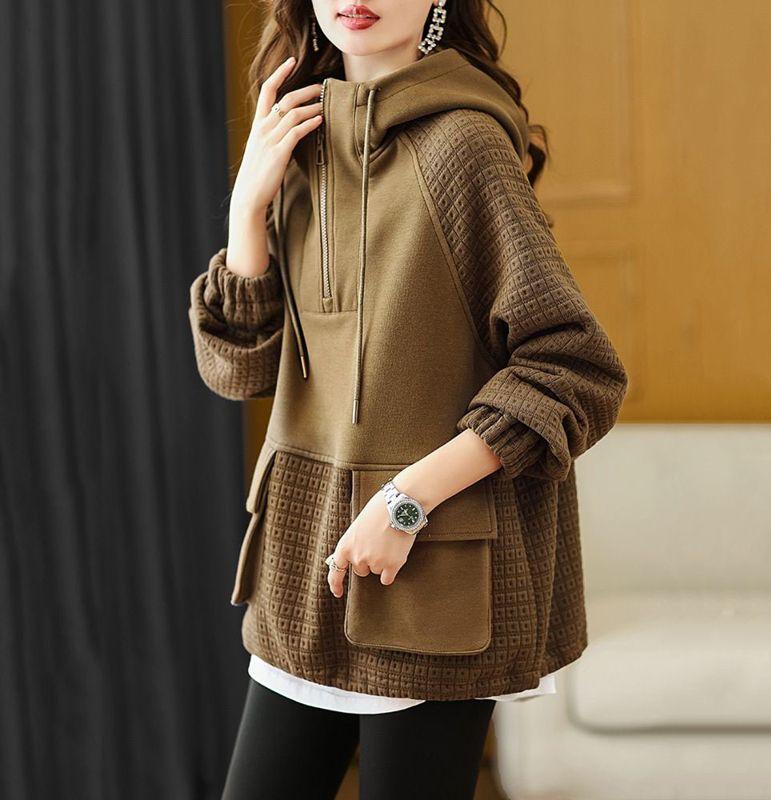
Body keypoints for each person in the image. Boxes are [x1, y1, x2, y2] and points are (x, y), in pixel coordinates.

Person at [187, 1, 629, 798]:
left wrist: (406, 502)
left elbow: (575, 366)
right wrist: (248, 208)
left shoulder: (465, 146)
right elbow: (239, 370)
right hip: (306, 570)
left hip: (429, 576)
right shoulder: (298, 140)